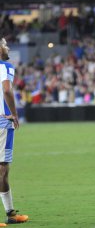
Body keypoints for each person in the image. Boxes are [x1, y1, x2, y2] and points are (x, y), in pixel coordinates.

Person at [0, 38, 28, 226]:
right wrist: (14, 114)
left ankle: (10, 213)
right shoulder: (5, 66)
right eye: (4, 44)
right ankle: (10, 214)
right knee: (2, 170)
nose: (8, 47)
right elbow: (7, 90)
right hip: (2, 121)